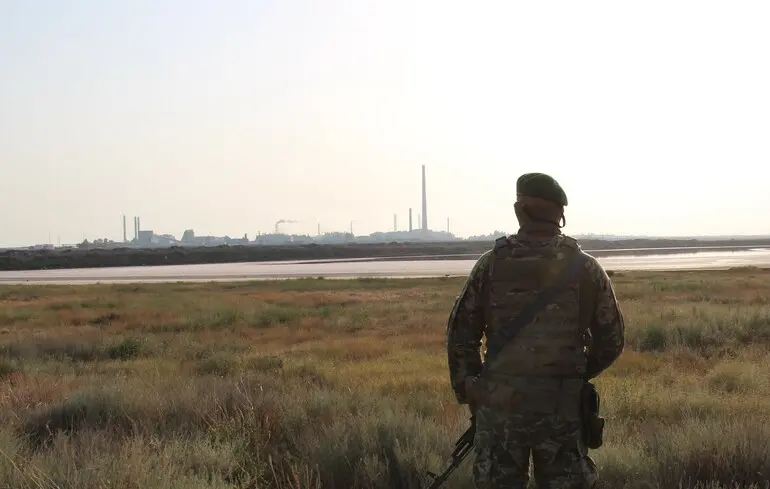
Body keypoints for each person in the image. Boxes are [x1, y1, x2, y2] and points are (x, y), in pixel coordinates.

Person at [445, 172, 625, 489]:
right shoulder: (586, 268)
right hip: (562, 409)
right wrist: (575, 374)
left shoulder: (490, 265)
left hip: (500, 408)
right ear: (560, 214)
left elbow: (460, 336)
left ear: (520, 210)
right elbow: (612, 340)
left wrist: (473, 389)